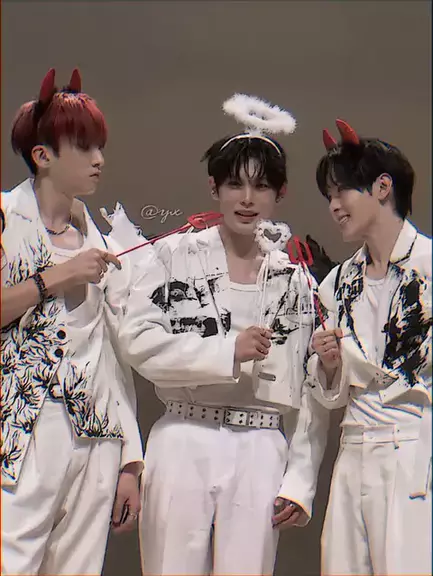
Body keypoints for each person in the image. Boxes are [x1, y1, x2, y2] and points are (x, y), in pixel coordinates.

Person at [108, 94, 330, 576]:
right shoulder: (174, 255)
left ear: (280, 194)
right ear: (214, 188)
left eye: (261, 187)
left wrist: (300, 479)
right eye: (234, 184)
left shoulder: (294, 276)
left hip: (261, 442)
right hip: (183, 435)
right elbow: (137, 340)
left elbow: (310, 385)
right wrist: (227, 350)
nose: (247, 199)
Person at [1, 68, 144, 575]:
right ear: (43, 156)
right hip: (21, 430)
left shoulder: (102, 237)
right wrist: (56, 276)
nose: (98, 159)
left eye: (99, 146)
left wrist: (130, 460)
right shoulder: (5, 218)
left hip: (94, 434)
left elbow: (113, 354)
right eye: (84, 147)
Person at [307, 119, 432, 575]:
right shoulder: (338, 281)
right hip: (353, 448)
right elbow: (324, 393)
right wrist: (328, 365)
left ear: (383, 187)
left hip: (414, 446)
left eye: (342, 191)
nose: (334, 206)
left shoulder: (429, 267)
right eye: (329, 196)